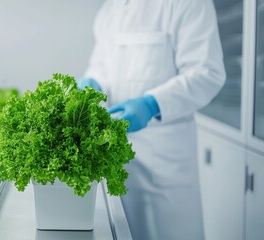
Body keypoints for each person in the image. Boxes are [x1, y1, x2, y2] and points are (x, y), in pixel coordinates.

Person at [78, 0, 225, 239]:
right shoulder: (111, 9)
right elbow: (101, 65)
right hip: (115, 158)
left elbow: (207, 73)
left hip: (164, 165)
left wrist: (152, 104)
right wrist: (93, 82)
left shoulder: (188, 4)